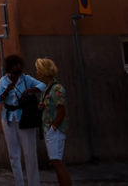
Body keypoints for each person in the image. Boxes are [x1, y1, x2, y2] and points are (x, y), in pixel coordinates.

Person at [0, 54, 46, 186]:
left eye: (18, 68)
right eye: (14, 69)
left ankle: (34, 183)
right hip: (8, 119)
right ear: (9, 69)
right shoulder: (3, 81)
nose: (17, 72)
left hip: (25, 118)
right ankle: (19, 183)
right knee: (13, 155)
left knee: (30, 153)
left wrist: (30, 90)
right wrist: (6, 91)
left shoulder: (26, 79)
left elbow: (43, 85)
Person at [35, 58, 72, 186]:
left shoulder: (56, 88)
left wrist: (53, 128)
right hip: (50, 129)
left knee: (57, 162)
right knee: (56, 162)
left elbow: (61, 110)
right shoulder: (48, 88)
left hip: (55, 130)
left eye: (38, 69)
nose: (37, 72)